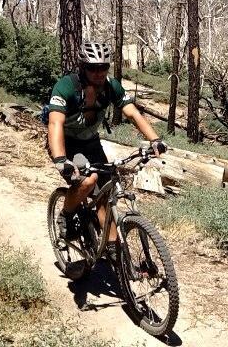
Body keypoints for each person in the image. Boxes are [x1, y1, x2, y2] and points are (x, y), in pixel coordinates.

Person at [47, 41, 166, 263]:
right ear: (83, 67)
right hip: (67, 143)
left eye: (104, 67)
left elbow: (132, 113)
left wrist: (155, 140)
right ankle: (66, 214)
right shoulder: (66, 87)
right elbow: (55, 124)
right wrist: (61, 160)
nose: (99, 72)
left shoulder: (111, 86)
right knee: (88, 181)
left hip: (90, 142)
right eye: (93, 68)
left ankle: (112, 248)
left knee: (105, 192)